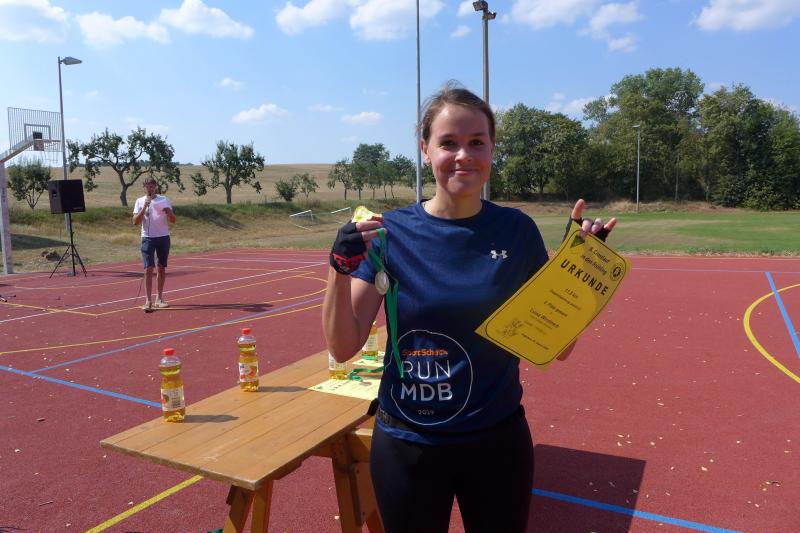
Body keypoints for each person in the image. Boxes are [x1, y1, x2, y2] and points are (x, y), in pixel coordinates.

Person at [323, 82, 617, 532]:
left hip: (496, 442)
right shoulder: (386, 234)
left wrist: (573, 275)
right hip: (409, 441)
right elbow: (343, 347)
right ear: (425, 150)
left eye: (477, 142)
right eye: (448, 143)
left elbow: (559, 348)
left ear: (492, 149)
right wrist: (339, 268)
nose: (464, 155)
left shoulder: (517, 230)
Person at [132, 176, 176, 312]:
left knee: (161, 268)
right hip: (147, 238)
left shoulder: (164, 199)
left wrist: (169, 213)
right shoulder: (139, 201)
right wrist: (144, 207)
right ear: (144, 187)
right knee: (148, 268)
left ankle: (159, 298)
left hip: (163, 237)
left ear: (155, 186)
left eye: (152, 186)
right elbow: (135, 222)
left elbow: (173, 220)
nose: (149, 188)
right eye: (147, 186)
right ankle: (148, 301)